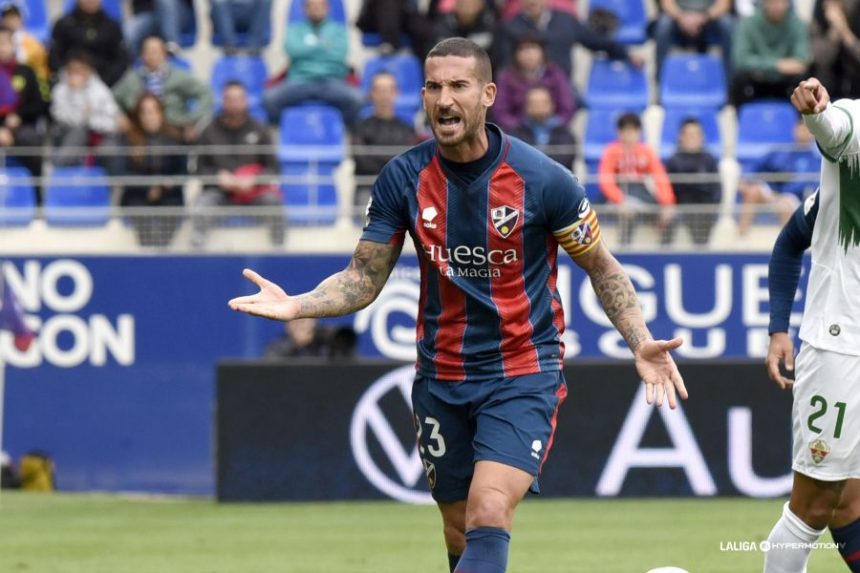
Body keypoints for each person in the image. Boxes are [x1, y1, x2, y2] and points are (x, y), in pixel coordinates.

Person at [229, 38, 687, 573]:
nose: (444, 99)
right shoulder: (404, 177)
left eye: (458, 86)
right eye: (433, 86)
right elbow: (364, 276)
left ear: (488, 94)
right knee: (457, 528)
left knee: (489, 508)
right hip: (440, 376)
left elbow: (603, 268)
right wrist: (299, 306)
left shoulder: (544, 181)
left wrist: (640, 340)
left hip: (522, 371)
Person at [761, 76, 860, 573]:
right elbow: (833, 128)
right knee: (816, 506)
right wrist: (817, 114)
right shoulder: (854, 127)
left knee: (852, 503)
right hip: (842, 349)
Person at [192, 80, 284, 249]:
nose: (234, 104)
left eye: (239, 99)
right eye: (230, 99)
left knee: (274, 203)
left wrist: (254, 180)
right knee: (202, 205)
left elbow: (274, 168)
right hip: (220, 192)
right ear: (223, 101)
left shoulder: (260, 129)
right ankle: (197, 251)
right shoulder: (209, 130)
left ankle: (279, 251)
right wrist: (217, 177)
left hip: (253, 192)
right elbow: (199, 169)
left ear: (246, 100)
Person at [262, 0, 363, 128]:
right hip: (300, 81)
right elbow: (292, 50)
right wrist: (324, 47)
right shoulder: (295, 30)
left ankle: (340, 131)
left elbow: (339, 55)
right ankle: (286, 131)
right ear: (305, 10)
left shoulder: (339, 30)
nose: (316, 9)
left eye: (319, 6)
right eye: (312, 6)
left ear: (327, 8)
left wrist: (307, 49)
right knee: (269, 99)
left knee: (357, 99)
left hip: (332, 82)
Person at [493, 0, 640, 78]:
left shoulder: (566, 21)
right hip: (521, 92)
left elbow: (597, 41)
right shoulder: (508, 28)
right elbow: (506, 66)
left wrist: (627, 54)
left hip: (561, 89)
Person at [112, 35, 213, 142]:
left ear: (164, 55)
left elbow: (205, 93)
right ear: (142, 55)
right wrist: (120, 116)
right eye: (148, 51)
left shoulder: (178, 76)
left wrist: (192, 119)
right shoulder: (131, 79)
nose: (152, 56)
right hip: (140, 133)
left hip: (174, 130)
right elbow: (112, 98)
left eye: (156, 51)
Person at [598, 112, 676, 245]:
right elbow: (606, 181)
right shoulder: (611, 151)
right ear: (619, 132)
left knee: (671, 218)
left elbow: (660, 177)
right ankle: (623, 256)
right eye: (626, 131)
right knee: (628, 217)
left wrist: (667, 204)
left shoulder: (646, 151)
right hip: (618, 194)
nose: (630, 136)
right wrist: (620, 201)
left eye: (633, 131)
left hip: (640, 193)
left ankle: (664, 254)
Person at [119, 93, 186, 248]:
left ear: (161, 113)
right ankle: (149, 255)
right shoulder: (129, 139)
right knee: (143, 219)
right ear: (139, 116)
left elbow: (183, 171)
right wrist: (147, 188)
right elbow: (123, 173)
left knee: (169, 218)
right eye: (145, 112)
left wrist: (170, 183)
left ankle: (161, 254)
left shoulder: (175, 138)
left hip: (170, 196)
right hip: (137, 196)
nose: (150, 117)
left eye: (153, 111)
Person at [352, 72, 420, 222]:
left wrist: (376, 156)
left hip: (399, 189)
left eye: (388, 90)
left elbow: (410, 164)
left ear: (396, 93)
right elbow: (361, 162)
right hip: (368, 187)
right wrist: (394, 161)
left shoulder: (407, 128)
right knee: (368, 217)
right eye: (379, 90)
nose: (384, 95)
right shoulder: (361, 127)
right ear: (371, 93)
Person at [737, 116, 821, 236]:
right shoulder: (780, 151)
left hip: (794, 199)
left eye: (807, 129)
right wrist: (745, 180)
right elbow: (755, 165)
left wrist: (785, 195)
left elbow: (812, 188)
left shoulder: (815, 161)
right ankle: (741, 238)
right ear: (795, 129)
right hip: (772, 193)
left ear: (813, 134)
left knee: (784, 205)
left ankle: (784, 250)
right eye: (800, 128)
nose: (803, 132)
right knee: (753, 191)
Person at [730, 0, 809, 107]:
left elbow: (801, 61)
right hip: (756, 79)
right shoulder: (748, 23)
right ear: (764, 3)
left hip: (785, 81)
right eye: (773, 2)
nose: (778, 6)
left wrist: (761, 65)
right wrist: (777, 65)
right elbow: (741, 59)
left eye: (782, 2)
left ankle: (800, 121)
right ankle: (742, 119)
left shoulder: (798, 24)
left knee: (803, 81)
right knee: (739, 78)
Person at [49, 50, 120, 168]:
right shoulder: (60, 90)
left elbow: (112, 121)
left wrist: (90, 121)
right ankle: (58, 172)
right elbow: (60, 116)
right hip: (66, 135)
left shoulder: (101, 90)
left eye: (81, 70)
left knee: (111, 149)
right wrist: (76, 93)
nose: (77, 74)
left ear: (89, 71)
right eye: (73, 70)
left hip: (97, 135)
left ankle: (112, 184)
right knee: (79, 132)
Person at [0, 26, 47, 202]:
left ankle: (37, 201)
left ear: (13, 45)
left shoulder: (26, 72)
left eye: (4, 43)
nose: (1, 47)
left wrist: (18, 116)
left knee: (31, 140)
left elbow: (40, 105)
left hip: (22, 127)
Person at [492, 35, 576, 132]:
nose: (528, 54)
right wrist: (520, 128)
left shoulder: (555, 74)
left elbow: (567, 107)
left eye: (533, 48)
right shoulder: (506, 77)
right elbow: (500, 112)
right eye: (522, 49)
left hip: (553, 132)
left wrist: (554, 125)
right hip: (517, 133)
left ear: (542, 52)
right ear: (515, 54)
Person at [663, 117, 721, 245]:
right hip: (682, 205)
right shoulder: (674, 160)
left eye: (696, 134)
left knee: (703, 218)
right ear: (681, 136)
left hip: (704, 206)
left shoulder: (709, 159)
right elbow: (667, 188)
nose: (692, 138)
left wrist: (713, 206)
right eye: (689, 134)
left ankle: (701, 256)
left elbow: (717, 188)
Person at [48, 0, 130, 87]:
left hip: (107, 82)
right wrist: (71, 77)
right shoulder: (63, 25)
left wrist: (104, 81)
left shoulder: (112, 26)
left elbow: (122, 59)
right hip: (70, 83)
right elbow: (54, 58)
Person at [653, 0, 733, 81]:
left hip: (710, 19)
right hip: (679, 18)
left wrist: (705, 17)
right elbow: (667, 3)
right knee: (663, 25)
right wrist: (681, 17)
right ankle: (661, 81)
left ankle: (730, 83)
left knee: (728, 24)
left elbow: (724, 4)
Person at [510, 86, 576, 169]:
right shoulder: (517, 133)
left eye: (543, 102)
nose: (539, 106)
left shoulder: (563, 133)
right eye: (534, 103)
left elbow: (566, 159)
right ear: (526, 106)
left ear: (552, 105)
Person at [810, 0, 860, 100]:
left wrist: (845, 33)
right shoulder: (819, 14)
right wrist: (834, 33)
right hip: (832, 85)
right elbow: (820, 60)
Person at [0, 3, 49, 90]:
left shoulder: (33, 43)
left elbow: (41, 70)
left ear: (21, 19)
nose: (10, 21)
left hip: (28, 84)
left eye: (14, 17)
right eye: (7, 18)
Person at [124, 0, 195, 57]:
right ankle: (140, 64)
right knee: (129, 31)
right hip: (151, 15)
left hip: (177, 14)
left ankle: (171, 45)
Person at [264, 317, 357, 359]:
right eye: (296, 321)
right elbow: (273, 371)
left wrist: (335, 340)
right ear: (287, 326)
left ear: (314, 322)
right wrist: (297, 344)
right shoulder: (276, 348)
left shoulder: (325, 343)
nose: (301, 324)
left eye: (305, 319)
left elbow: (353, 364)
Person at [434, 0, 499, 51]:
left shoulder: (490, 26)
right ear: (456, 5)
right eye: (463, 5)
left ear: (480, 5)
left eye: (472, 5)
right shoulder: (443, 25)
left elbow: (496, 59)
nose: (468, 10)